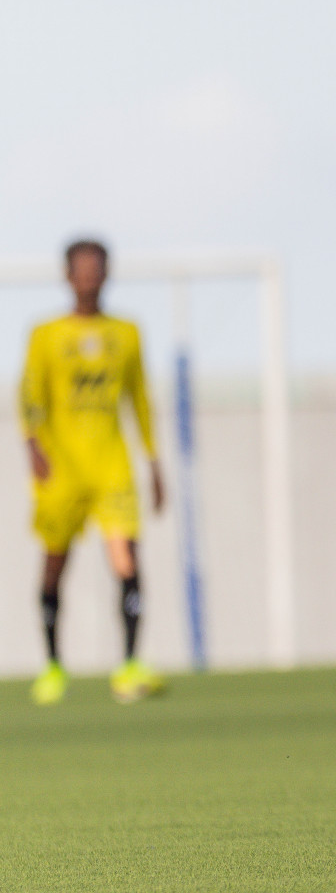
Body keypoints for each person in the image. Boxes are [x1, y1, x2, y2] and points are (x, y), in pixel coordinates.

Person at [22, 239, 166, 705]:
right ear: (68, 275)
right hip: (63, 470)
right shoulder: (45, 334)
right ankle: (53, 666)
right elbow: (30, 396)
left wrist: (154, 459)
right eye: (80, 269)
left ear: (107, 274)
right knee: (54, 566)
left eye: (96, 269)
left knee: (126, 560)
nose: (88, 277)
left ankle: (127, 666)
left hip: (112, 467)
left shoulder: (126, 333)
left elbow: (140, 398)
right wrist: (32, 446)